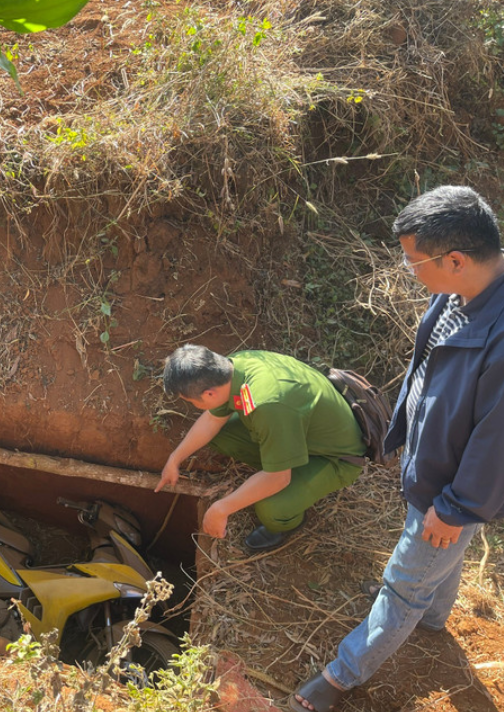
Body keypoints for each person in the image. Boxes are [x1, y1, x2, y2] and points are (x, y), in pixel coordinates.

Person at [290, 185, 504, 712]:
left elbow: (496, 439)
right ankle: (433, 619)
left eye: (414, 260)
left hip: (456, 483)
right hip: (437, 466)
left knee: (404, 583)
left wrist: (456, 506)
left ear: (456, 259)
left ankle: (340, 677)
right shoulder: (460, 292)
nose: (410, 270)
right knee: (442, 555)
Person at [154, 345, 367, 551]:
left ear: (209, 394)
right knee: (223, 434)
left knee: (271, 508)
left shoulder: (269, 404)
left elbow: (278, 478)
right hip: (295, 430)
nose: (193, 406)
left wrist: (221, 509)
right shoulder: (233, 367)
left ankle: (287, 522)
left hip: (334, 457)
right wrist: (175, 459)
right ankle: (278, 459)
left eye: (191, 401)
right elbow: (212, 421)